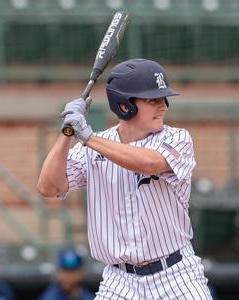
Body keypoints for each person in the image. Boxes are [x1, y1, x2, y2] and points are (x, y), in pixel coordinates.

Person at [37, 58, 212, 299]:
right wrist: (67, 133)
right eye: (152, 99)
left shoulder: (177, 138)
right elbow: (48, 186)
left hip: (176, 275)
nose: (162, 106)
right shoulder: (93, 147)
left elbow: (149, 163)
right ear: (124, 105)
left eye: (163, 98)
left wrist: (87, 136)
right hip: (119, 282)